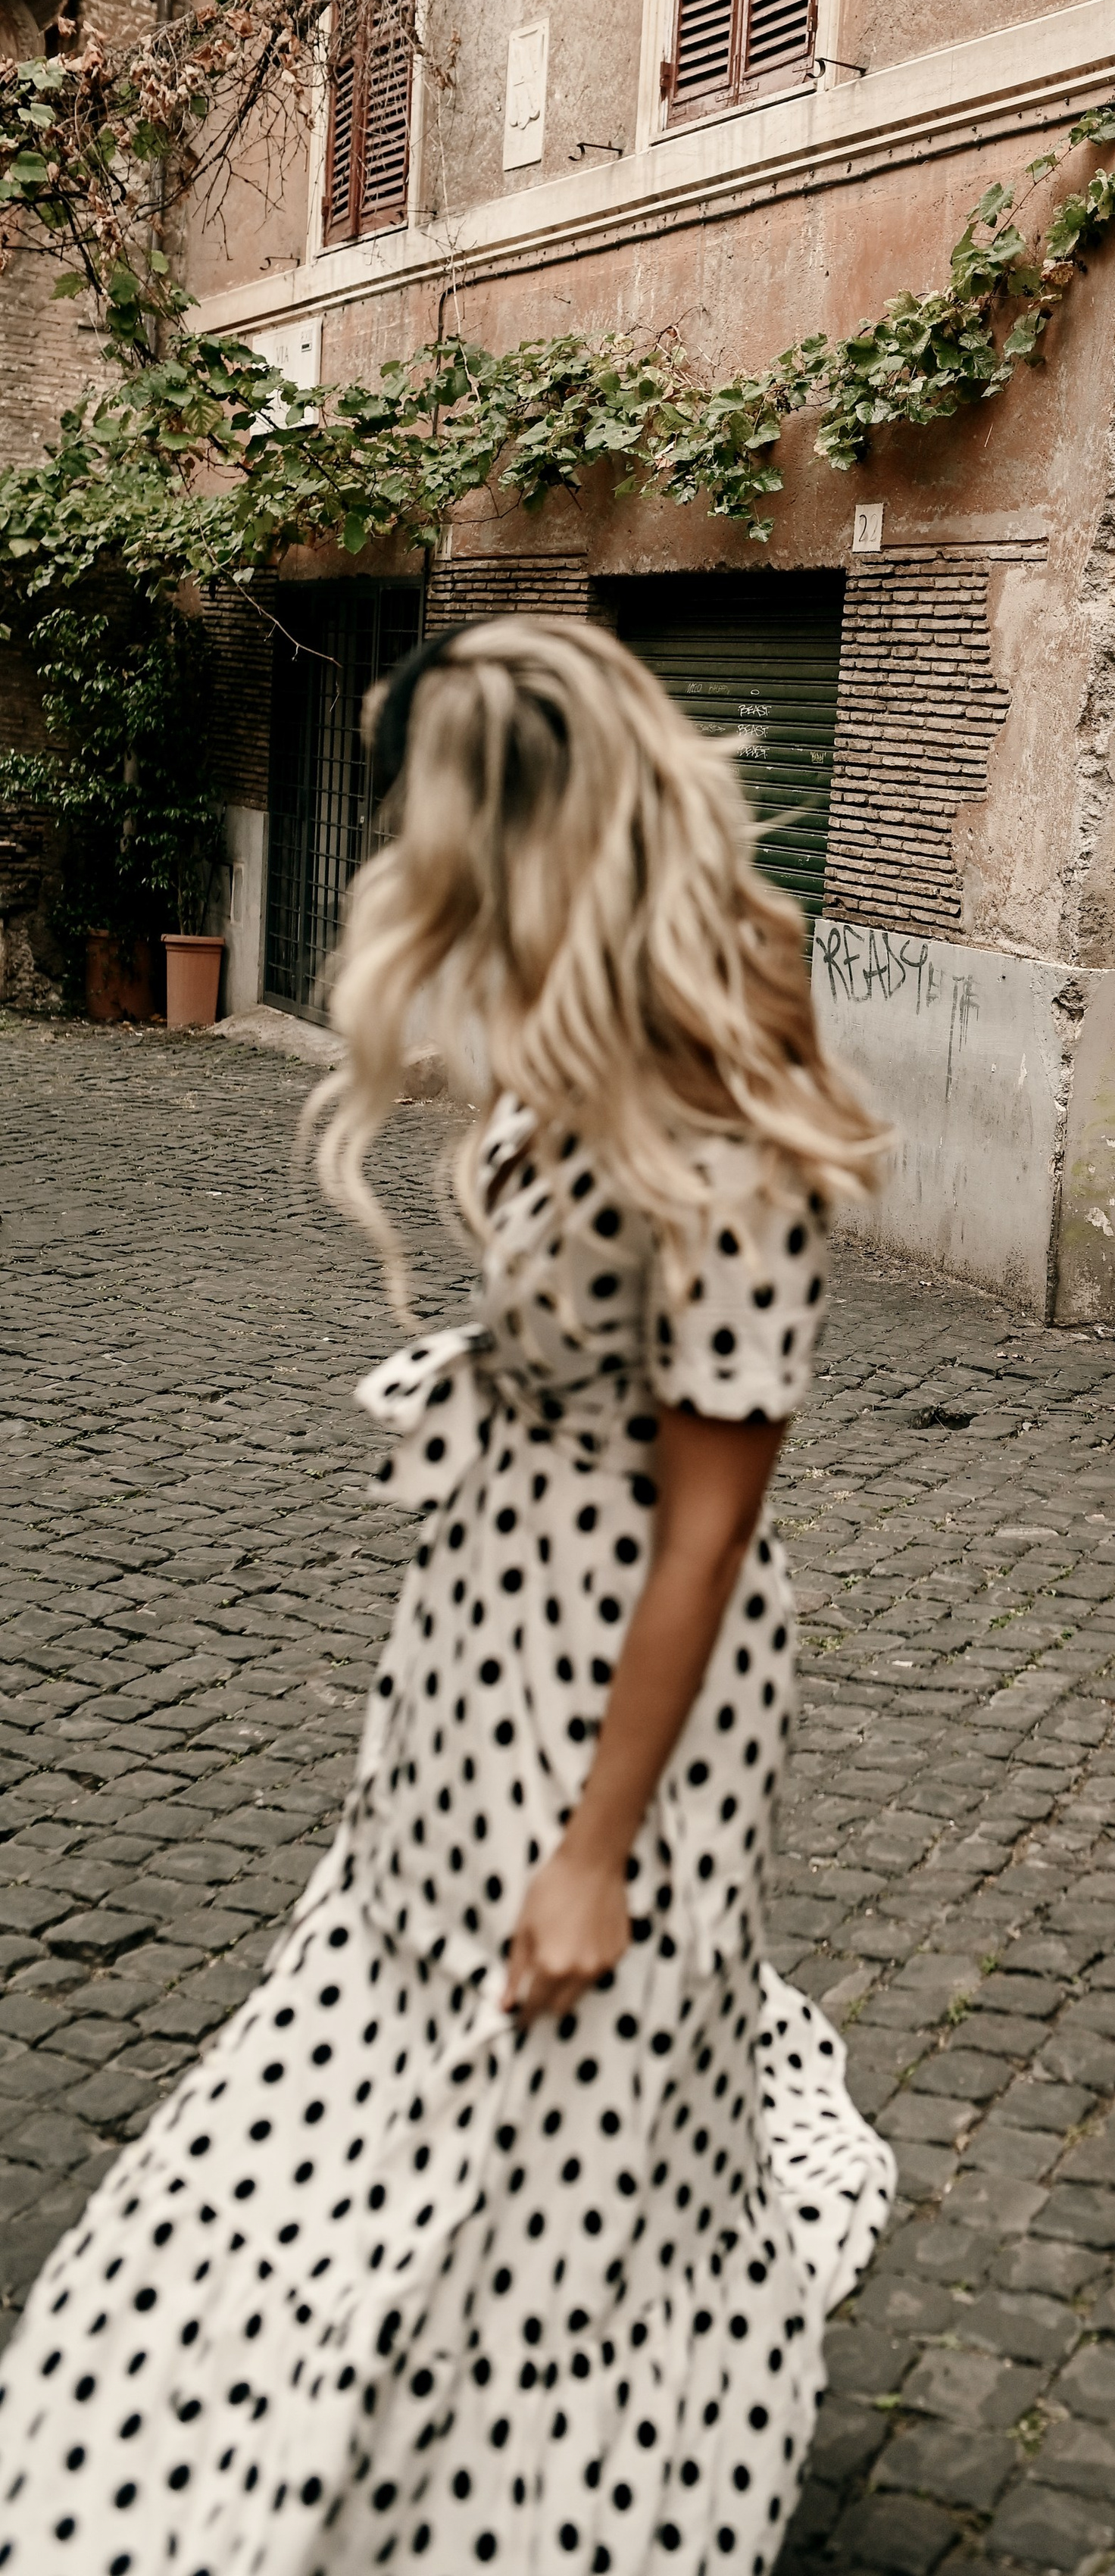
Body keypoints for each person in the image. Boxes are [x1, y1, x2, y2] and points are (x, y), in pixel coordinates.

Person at [0, 614, 897, 2572]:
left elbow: (708, 1532)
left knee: (568, 2125)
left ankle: (548, 2500)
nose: (423, 871)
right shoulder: (576, 1027)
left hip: (628, 1687)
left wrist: (596, 1850)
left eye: (451, 830)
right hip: (477, 1646)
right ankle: (288, 2439)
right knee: (387, 2058)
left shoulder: (730, 1100)